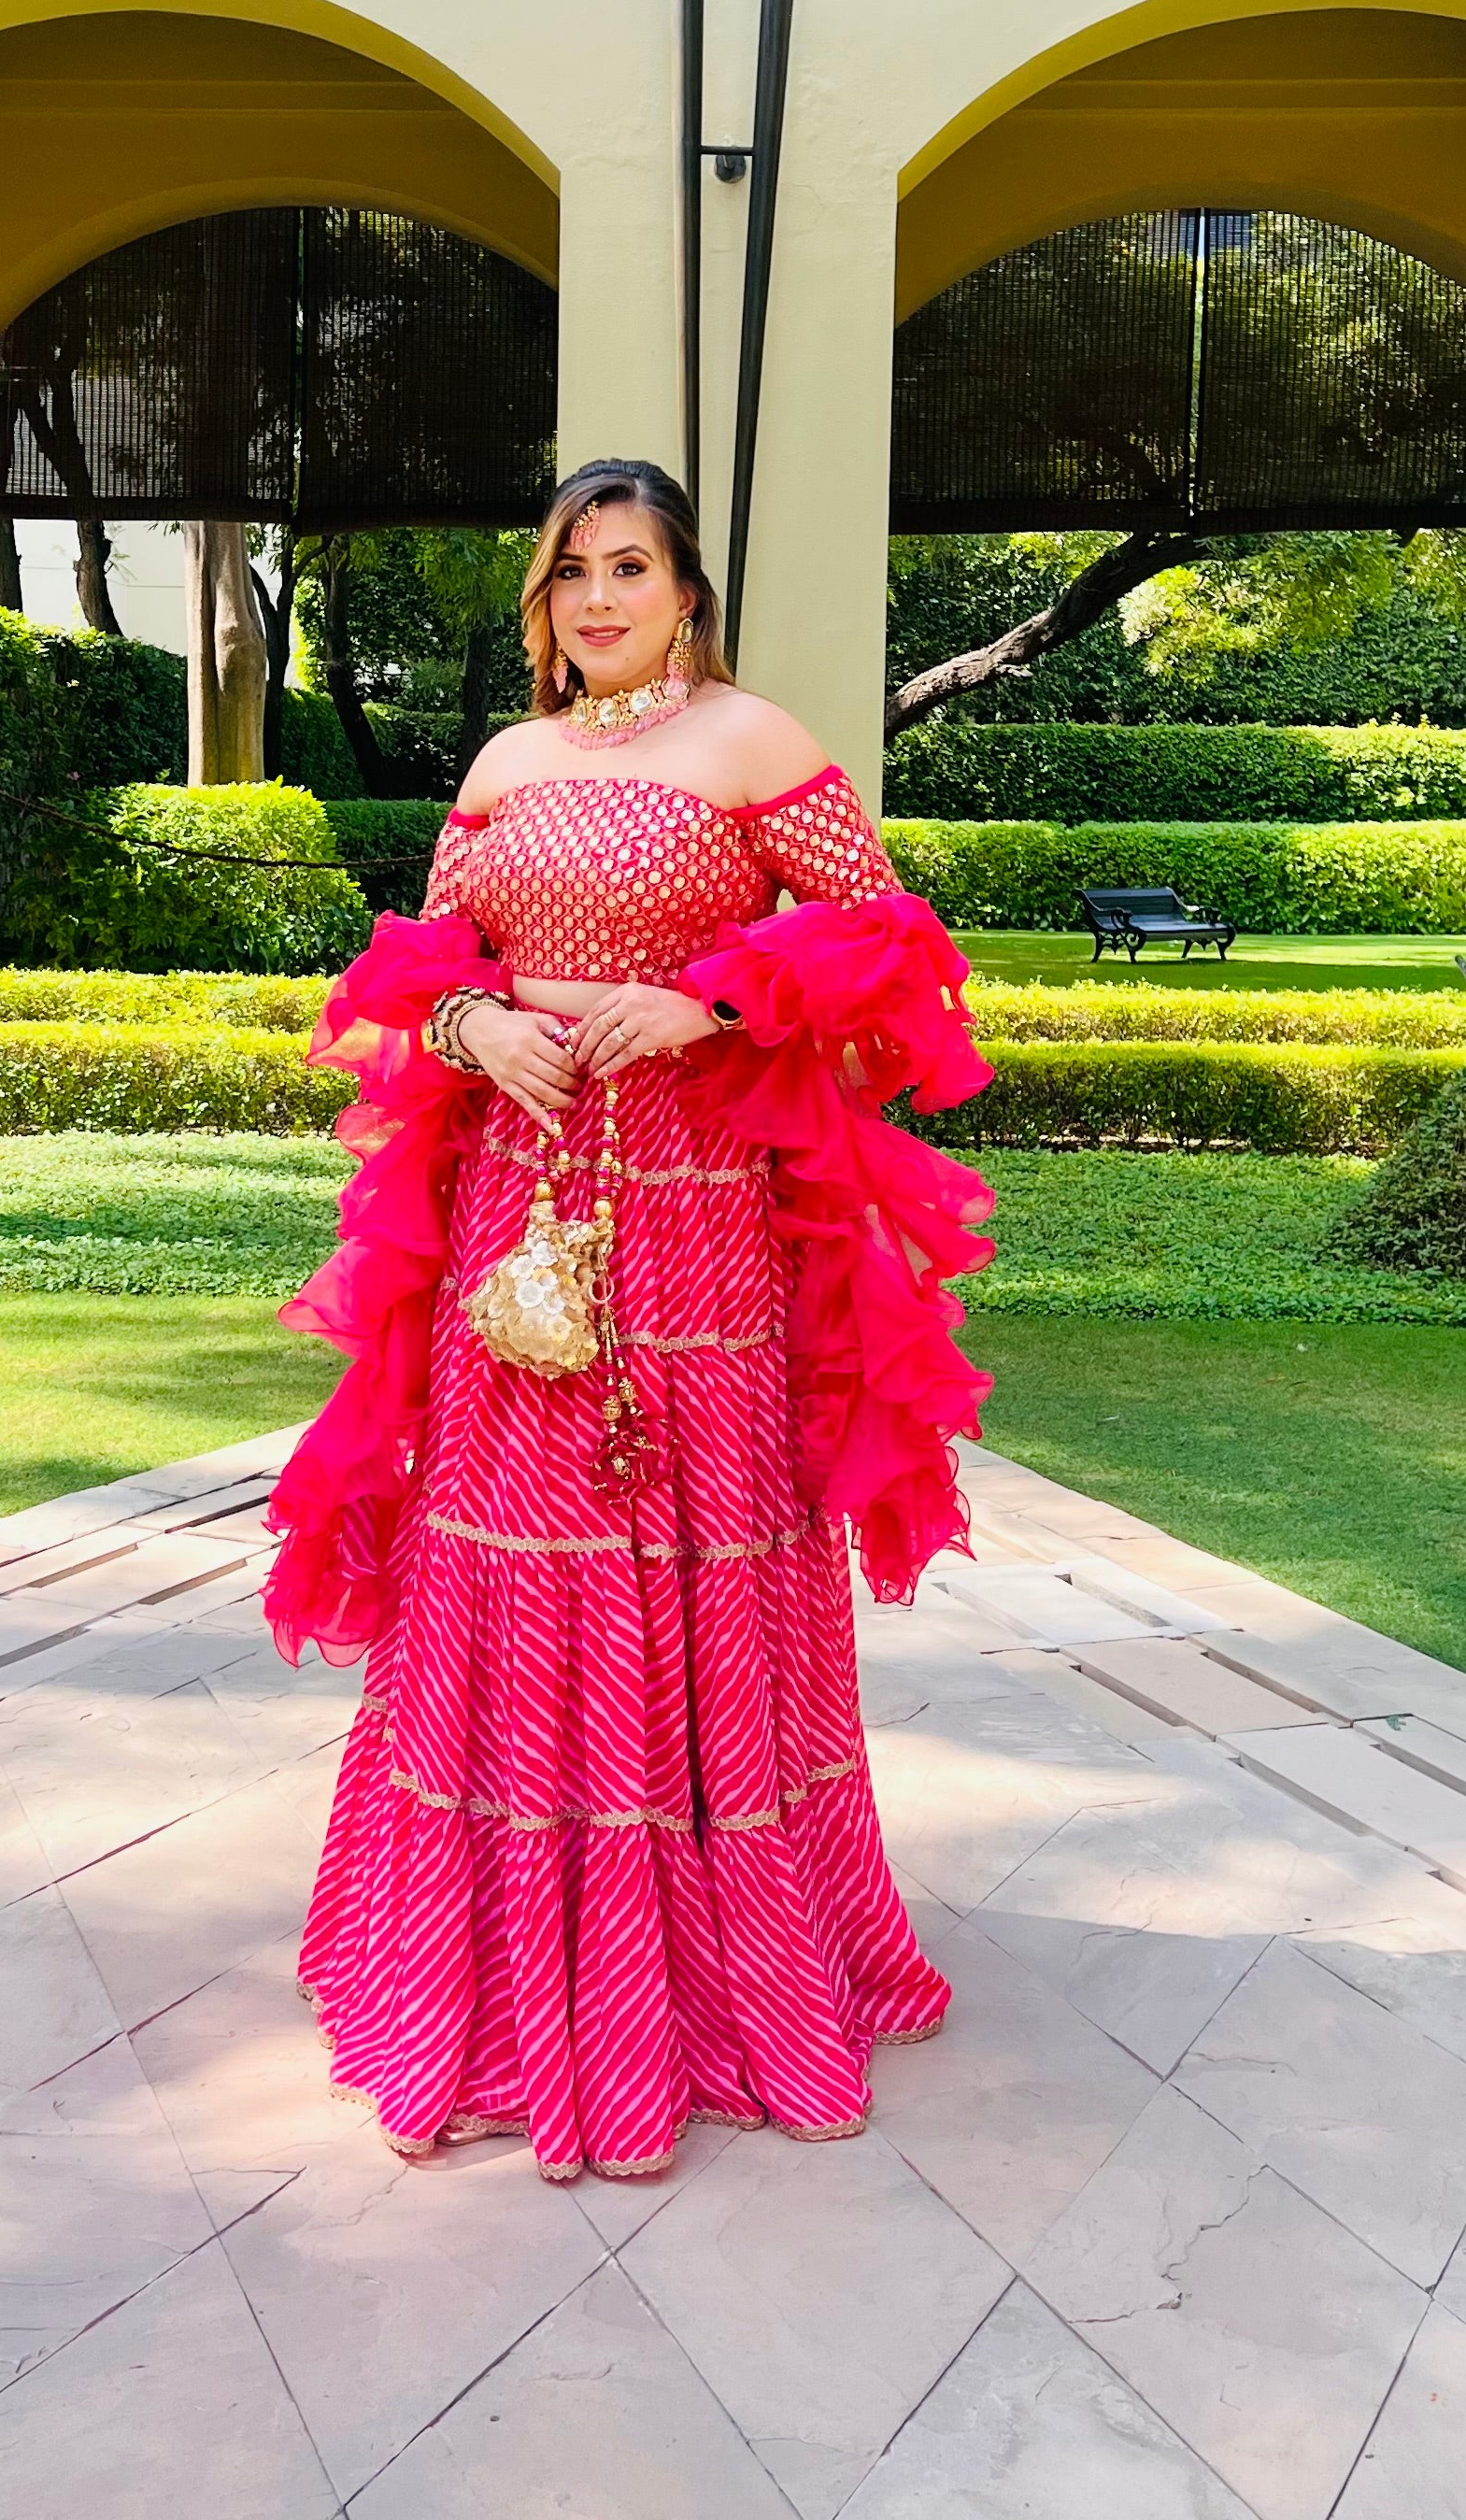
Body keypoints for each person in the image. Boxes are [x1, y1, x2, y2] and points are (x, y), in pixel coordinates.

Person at [263, 458, 994, 2183]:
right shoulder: (509, 763)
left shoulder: (753, 744)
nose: (598, 599)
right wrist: (467, 1034)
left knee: (682, 1541)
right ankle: (487, 1977)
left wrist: (709, 996)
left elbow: (884, 936)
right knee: (507, 1553)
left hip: (695, 1231)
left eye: (632, 568)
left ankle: (705, 1982)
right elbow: (423, 958)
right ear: (547, 601)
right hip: (517, 1223)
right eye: (572, 572)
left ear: (687, 592)